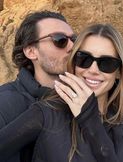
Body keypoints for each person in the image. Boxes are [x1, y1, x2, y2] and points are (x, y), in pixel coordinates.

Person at [0, 24, 123, 162]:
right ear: (73, 62)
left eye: (107, 63)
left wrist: (90, 121)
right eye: (84, 58)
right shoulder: (46, 112)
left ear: (119, 72)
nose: (93, 70)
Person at [0, 10, 76, 162]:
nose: (72, 46)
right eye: (60, 40)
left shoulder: (81, 100)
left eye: (74, 39)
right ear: (31, 51)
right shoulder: (4, 104)